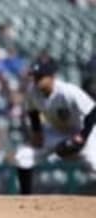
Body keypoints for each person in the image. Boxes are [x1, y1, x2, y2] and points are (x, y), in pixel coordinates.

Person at [15, 58, 96, 194]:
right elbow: (32, 110)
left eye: (40, 77)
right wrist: (37, 132)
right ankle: (25, 198)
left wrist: (82, 136)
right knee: (23, 156)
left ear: (52, 77)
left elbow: (93, 111)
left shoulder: (68, 91)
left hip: (82, 130)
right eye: (35, 77)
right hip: (56, 131)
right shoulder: (32, 91)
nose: (36, 80)